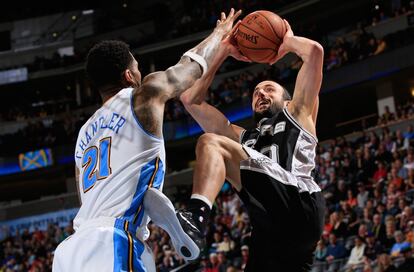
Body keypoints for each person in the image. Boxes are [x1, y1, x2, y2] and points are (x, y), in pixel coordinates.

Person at [52, 8, 244, 272]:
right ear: (129, 76)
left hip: (71, 251)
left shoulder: (84, 134)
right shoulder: (142, 96)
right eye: (137, 68)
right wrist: (218, 35)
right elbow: (189, 69)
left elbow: (85, 197)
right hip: (113, 238)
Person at [177, 18, 325, 271]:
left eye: (269, 89)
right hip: (269, 227)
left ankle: (196, 215)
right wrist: (224, 49)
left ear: (287, 100)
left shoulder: (299, 112)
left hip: (299, 202)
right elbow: (190, 99)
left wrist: (286, 41)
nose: (261, 94)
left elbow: (314, 52)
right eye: (256, 93)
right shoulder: (242, 138)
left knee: (211, 142)